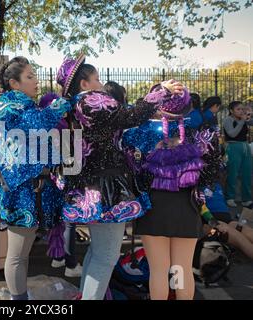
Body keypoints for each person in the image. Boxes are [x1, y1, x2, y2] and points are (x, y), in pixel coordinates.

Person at [56, 54, 184, 300]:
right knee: (106, 256)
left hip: (89, 184)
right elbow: (130, 117)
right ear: (84, 84)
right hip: (106, 186)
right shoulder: (92, 102)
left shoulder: (73, 106)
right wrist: (161, 91)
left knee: (97, 252)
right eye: (97, 78)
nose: (102, 84)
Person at [0, 56, 71, 300]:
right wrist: (58, 105)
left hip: (29, 188)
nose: (36, 80)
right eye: (29, 76)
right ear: (14, 83)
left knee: (22, 252)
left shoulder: (21, 104)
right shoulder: (9, 105)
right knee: (17, 255)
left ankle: (19, 295)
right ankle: (18, 299)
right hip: (19, 190)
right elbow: (35, 126)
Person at [122, 82, 221, 300]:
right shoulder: (201, 133)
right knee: (181, 268)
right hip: (187, 204)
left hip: (152, 205)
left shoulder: (138, 133)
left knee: (158, 269)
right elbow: (213, 169)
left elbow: (130, 168)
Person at [201, 183, 253, 259]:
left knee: (241, 228)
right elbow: (201, 208)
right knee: (235, 235)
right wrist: (213, 222)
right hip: (210, 224)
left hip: (226, 219)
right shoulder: (192, 182)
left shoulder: (216, 183)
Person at [223, 101, 252, 208]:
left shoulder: (244, 119)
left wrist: (249, 114)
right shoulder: (228, 120)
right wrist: (241, 122)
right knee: (233, 173)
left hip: (245, 147)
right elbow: (232, 134)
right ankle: (230, 197)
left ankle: (246, 199)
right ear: (231, 111)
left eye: (242, 109)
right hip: (233, 147)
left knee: (247, 173)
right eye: (238, 109)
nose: (241, 111)